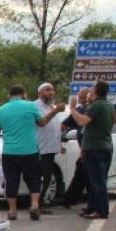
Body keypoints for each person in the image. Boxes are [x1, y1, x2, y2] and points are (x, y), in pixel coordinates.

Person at [0, 85, 49, 221]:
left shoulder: (1, 110)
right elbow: (42, 123)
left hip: (9, 153)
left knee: (11, 181)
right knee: (34, 179)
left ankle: (12, 211)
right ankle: (34, 205)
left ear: (9, 95)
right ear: (24, 94)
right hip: (30, 151)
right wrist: (55, 112)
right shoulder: (31, 106)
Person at [68, 80, 114, 219]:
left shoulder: (97, 105)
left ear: (96, 90)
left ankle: (101, 210)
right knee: (94, 180)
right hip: (104, 146)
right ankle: (92, 207)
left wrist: (73, 109)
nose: (90, 89)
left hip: (95, 148)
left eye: (93, 87)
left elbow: (82, 121)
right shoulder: (108, 105)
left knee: (97, 181)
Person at [33, 83, 67, 213]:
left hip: (50, 148)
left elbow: (54, 129)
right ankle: (38, 204)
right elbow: (41, 123)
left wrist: (60, 145)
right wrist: (56, 111)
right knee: (42, 177)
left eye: (52, 90)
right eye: (47, 90)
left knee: (47, 177)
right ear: (40, 92)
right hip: (40, 147)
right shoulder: (35, 106)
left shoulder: (50, 106)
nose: (51, 92)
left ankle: (39, 203)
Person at [60, 88, 90, 208]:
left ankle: (70, 199)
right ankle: (70, 199)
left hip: (92, 149)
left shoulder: (93, 109)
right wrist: (59, 139)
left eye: (84, 98)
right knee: (81, 175)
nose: (82, 101)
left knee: (84, 176)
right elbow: (63, 124)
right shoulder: (79, 110)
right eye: (80, 98)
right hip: (84, 149)